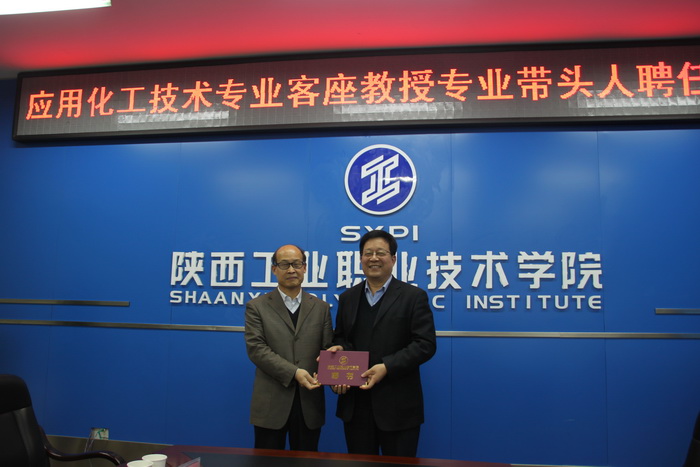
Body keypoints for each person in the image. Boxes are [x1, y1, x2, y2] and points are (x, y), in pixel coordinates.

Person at [329, 230, 437, 457]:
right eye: (368, 253)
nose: (374, 258)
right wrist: (339, 352)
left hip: (398, 407)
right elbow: (341, 338)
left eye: (380, 253)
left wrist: (387, 366)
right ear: (360, 258)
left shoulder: (413, 296)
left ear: (393, 259)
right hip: (356, 405)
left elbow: (425, 344)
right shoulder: (348, 298)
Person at [244, 244, 333, 451]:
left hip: (309, 402)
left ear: (305, 267)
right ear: (274, 269)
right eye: (284, 264)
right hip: (271, 403)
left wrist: (335, 357)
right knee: (267, 462)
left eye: (297, 264)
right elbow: (257, 349)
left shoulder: (321, 308)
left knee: (306, 462)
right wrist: (294, 372)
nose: (291, 269)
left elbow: (327, 347)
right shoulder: (257, 306)